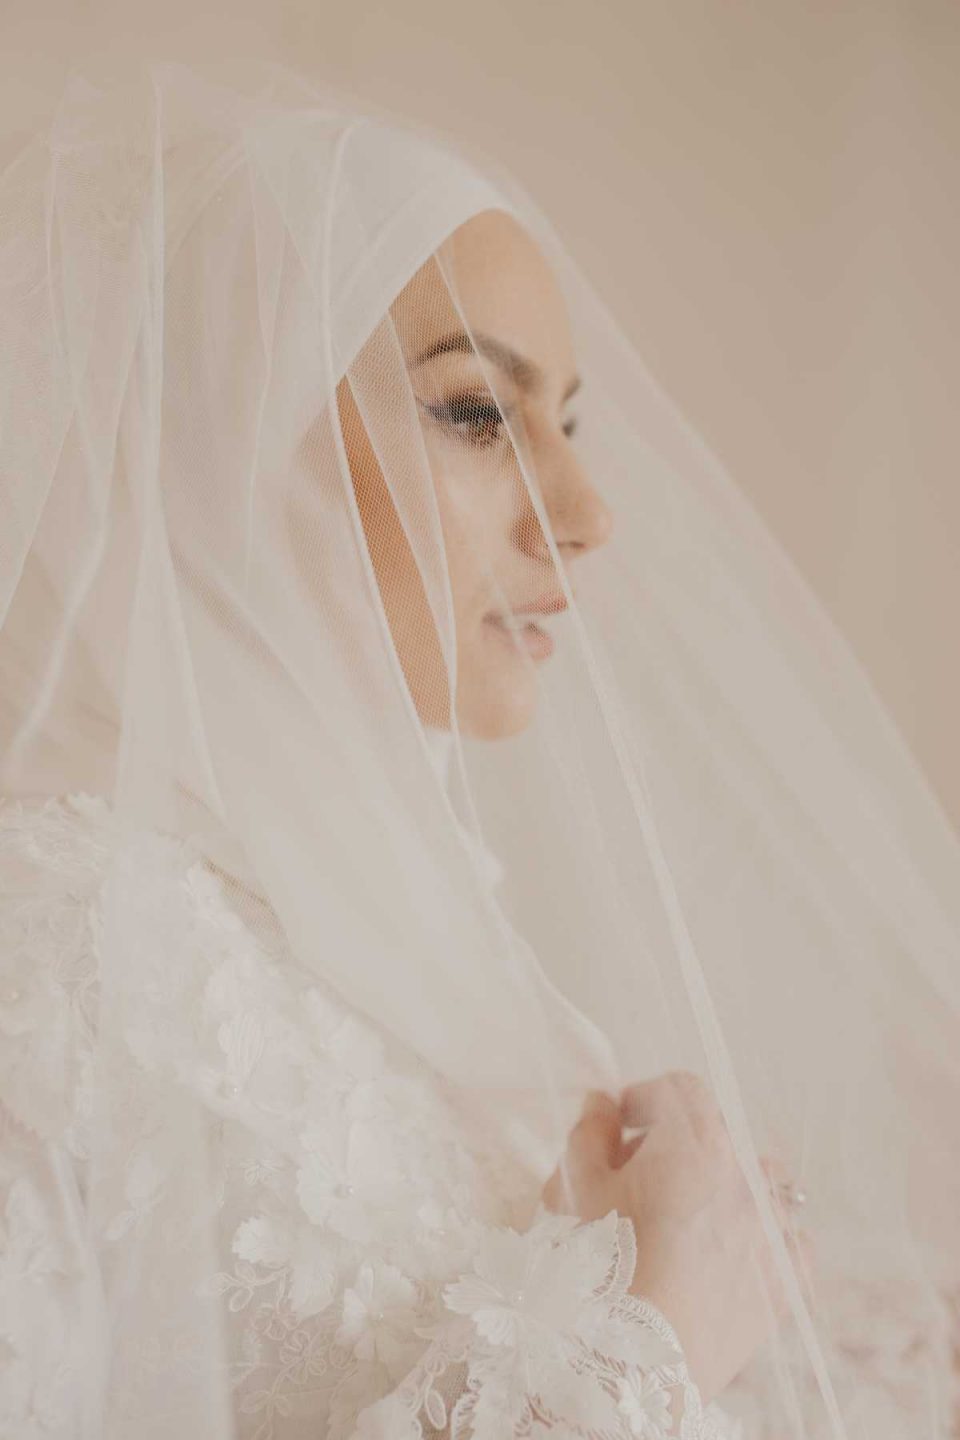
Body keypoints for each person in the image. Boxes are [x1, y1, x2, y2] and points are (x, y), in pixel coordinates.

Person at [1, 63, 957, 1440]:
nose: (587, 511)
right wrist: (642, 1349)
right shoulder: (51, 964)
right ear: (222, 435)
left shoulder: (420, 936)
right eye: (475, 413)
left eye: (565, 424)